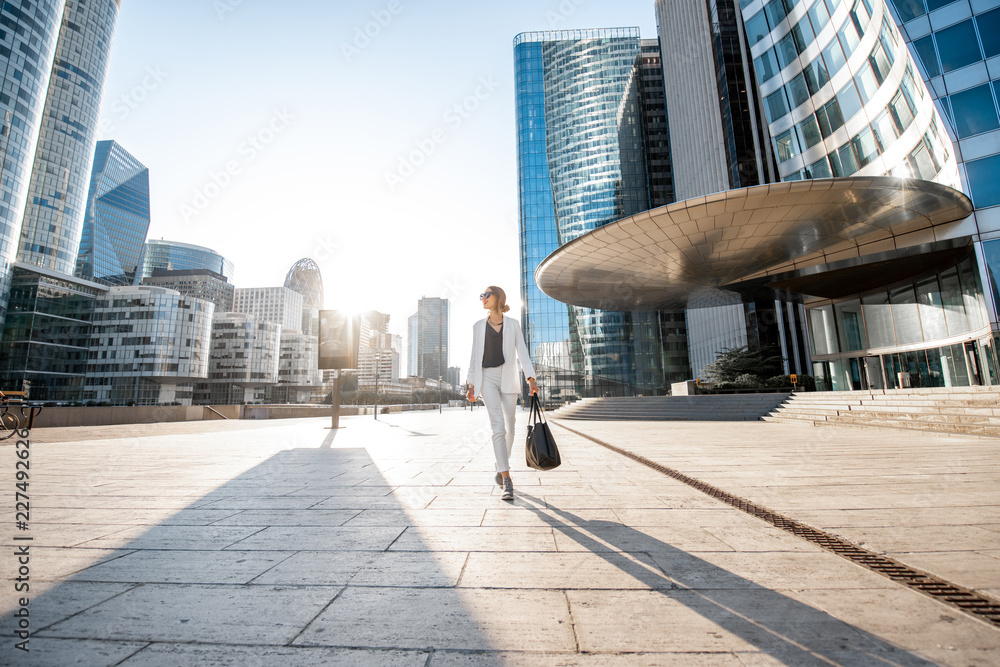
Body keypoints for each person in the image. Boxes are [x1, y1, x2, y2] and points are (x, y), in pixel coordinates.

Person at [466, 286, 538, 501]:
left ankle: (500, 466)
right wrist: (471, 384)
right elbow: (473, 357)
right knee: (498, 427)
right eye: (481, 296)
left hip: (508, 378)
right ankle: (507, 479)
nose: (483, 298)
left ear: (498, 297)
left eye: (487, 295)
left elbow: (522, 352)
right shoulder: (478, 326)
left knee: (510, 429)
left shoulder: (513, 324)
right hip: (486, 377)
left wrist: (531, 378)